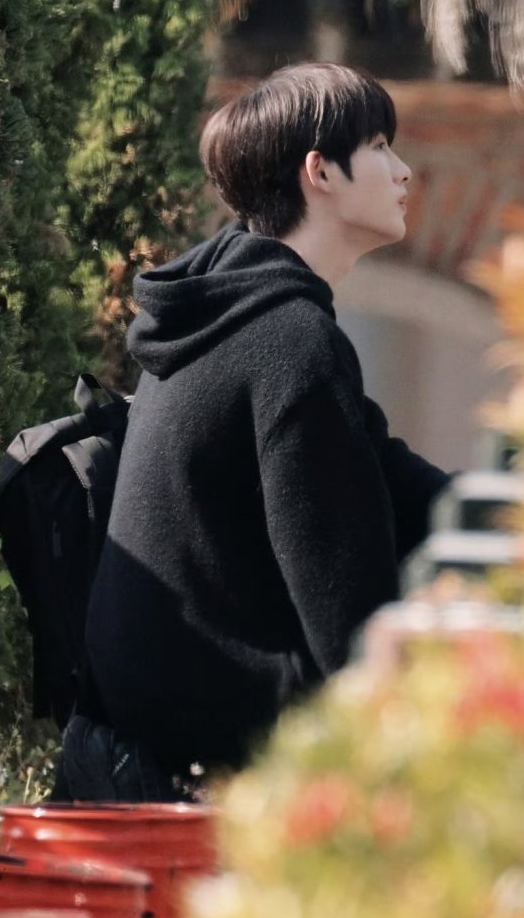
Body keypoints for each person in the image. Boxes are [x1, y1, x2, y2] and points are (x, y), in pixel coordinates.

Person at [58, 63, 453, 801]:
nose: (403, 171)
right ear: (320, 172)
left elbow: (382, 469)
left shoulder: (229, 316)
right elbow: (349, 621)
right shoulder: (290, 341)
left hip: (128, 759)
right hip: (207, 790)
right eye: (378, 147)